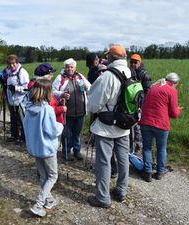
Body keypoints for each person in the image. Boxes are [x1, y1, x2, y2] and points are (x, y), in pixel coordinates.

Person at [87, 44, 131, 208]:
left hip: (106, 127)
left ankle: (103, 198)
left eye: (108, 56)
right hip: (125, 124)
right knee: (123, 159)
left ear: (111, 57)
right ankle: (121, 190)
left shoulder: (107, 76)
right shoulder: (130, 72)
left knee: (104, 162)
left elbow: (93, 104)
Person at [23, 79, 63, 217]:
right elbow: (52, 131)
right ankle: (39, 204)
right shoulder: (47, 109)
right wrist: (61, 126)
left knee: (43, 176)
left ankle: (49, 199)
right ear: (48, 92)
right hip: (47, 148)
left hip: (35, 147)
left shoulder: (28, 108)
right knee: (52, 176)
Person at [139, 72, 182, 182]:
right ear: (174, 82)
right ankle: (160, 172)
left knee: (147, 147)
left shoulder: (153, 87)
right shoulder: (171, 90)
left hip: (145, 121)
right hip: (161, 124)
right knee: (161, 148)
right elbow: (174, 113)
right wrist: (179, 110)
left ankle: (147, 172)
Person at [53, 58, 91, 161]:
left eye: (71, 67)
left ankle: (77, 151)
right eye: (67, 67)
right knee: (67, 134)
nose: (70, 69)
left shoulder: (80, 77)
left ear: (75, 67)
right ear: (64, 68)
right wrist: (62, 94)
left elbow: (89, 87)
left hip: (81, 111)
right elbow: (52, 91)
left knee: (77, 133)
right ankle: (66, 152)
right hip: (67, 112)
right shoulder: (60, 78)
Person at [0, 54, 29, 144]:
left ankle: (23, 138)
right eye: (10, 64)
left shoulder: (22, 72)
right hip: (11, 100)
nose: (12, 66)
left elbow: (26, 88)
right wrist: (2, 81)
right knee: (13, 118)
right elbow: (0, 77)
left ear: (17, 62)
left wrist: (15, 88)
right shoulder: (8, 71)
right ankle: (14, 135)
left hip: (20, 100)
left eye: (13, 64)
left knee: (22, 119)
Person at [129, 54, 152, 153]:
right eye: (131, 62)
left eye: (135, 62)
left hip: (139, 106)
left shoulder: (145, 75)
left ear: (140, 63)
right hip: (129, 104)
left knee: (138, 127)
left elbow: (147, 92)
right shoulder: (128, 73)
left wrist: (141, 105)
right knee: (130, 126)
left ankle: (138, 145)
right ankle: (130, 146)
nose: (133, 64)